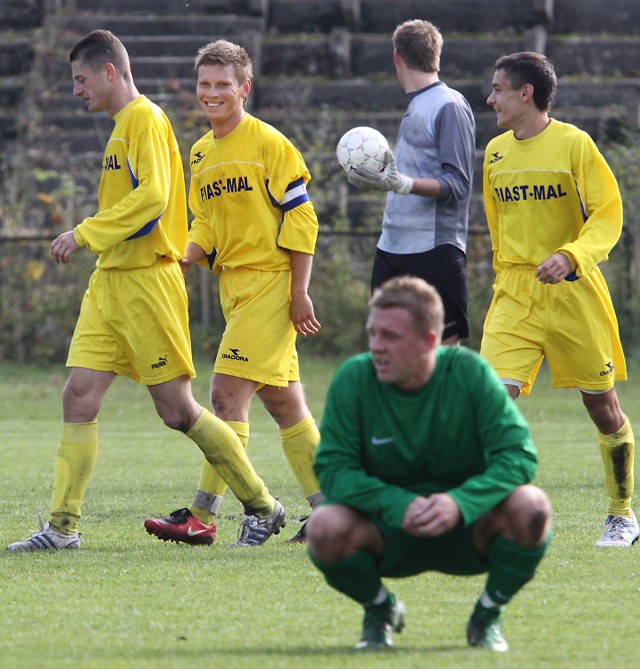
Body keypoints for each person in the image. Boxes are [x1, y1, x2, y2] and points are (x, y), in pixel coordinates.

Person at [6, 30, 282, 552]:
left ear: (109, 72)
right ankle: (63, 528)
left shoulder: (145, 119)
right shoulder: (119, 129)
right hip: (109, 283)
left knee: (178, 411)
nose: (75, 91)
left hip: (145, 282)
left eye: (80, 79)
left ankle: (264, 505)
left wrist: (84, 232)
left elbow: (153, 198)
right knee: (78, 395)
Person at [306, 276, 552, 652]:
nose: (377, 347)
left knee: (532, 507)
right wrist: (396, 505)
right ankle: (380, 610)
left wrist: (461, 503)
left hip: (468, 528)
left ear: (430, 341)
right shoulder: (354, 378)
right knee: (324, 526)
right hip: (388, 530)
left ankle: (487, 616)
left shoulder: (470, 374)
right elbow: (332, 469)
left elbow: (518, 456)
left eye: (391, 336)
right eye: (373, 334)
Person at [144, 39, 323, 546]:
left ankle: (203, 515)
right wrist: (184, 255)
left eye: (223, 84)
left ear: (245, 88)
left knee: (224, 396)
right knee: (286, 406)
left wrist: (300, 290)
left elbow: (302, 217)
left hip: (272, 283)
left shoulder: (270, 144)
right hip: (235, 291)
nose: (212, 92)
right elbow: (205, 223)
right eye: (205, 84)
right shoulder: (200, 152)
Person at [481, 51, 638, 547]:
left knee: (603, 407)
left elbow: (607, 214)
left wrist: (572, 256)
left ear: (526, 93)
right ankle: (502, 512)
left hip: (573, 292)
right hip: (514, 295)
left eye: (499, 89)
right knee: (488, 405)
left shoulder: (575, 145)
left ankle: (622, 514)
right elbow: (497, 226)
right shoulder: (495, 152)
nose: (491, 99)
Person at [346, 19, 476, 345]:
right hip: (391, 248)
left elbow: (458, 184)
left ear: (396, 57)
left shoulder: (449, 104)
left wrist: (404, 183)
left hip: (434, 250)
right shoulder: (418, 105)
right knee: (387, 351)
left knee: (441, 361)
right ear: (437, 55)